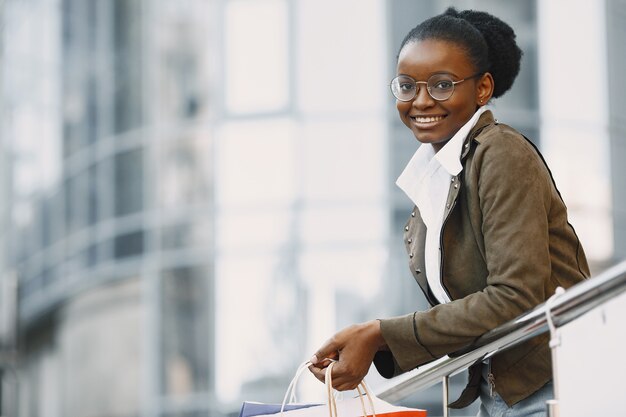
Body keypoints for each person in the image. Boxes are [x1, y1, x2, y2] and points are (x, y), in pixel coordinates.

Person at [308, 7, 590, 417]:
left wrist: (380, 334)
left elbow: (516, 294)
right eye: (407, 86)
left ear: (482, 88)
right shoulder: (436, 176)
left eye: (442, 85)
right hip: (501, 397)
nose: (421, 101)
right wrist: (375, 341)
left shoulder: (500, 153)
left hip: (554, 388)